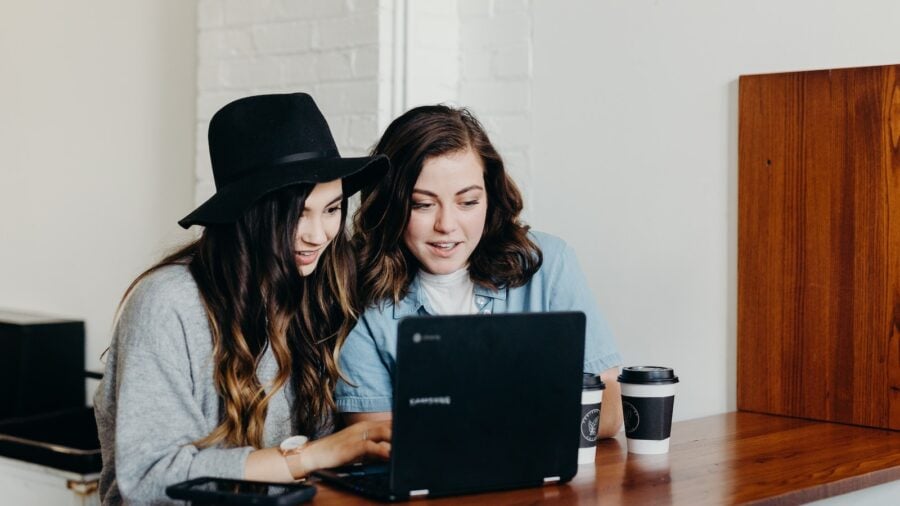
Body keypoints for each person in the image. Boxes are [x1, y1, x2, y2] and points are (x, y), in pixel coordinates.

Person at [93, 93, 392, 505]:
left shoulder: (317, 290)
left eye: (332, 209)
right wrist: (319, 453)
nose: (319, 234)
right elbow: (151, 479)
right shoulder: (168, 303)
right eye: (298, 213)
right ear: (249, 212)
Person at [335, 104, 624, 438]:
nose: (446, 225)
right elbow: (373, 437)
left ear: (490, 196)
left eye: (468, 202)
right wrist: (530, 409)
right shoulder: (357, 290)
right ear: (391, 205)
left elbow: (608, 410)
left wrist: (459, 423)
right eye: (422, 204)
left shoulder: (548, 263)